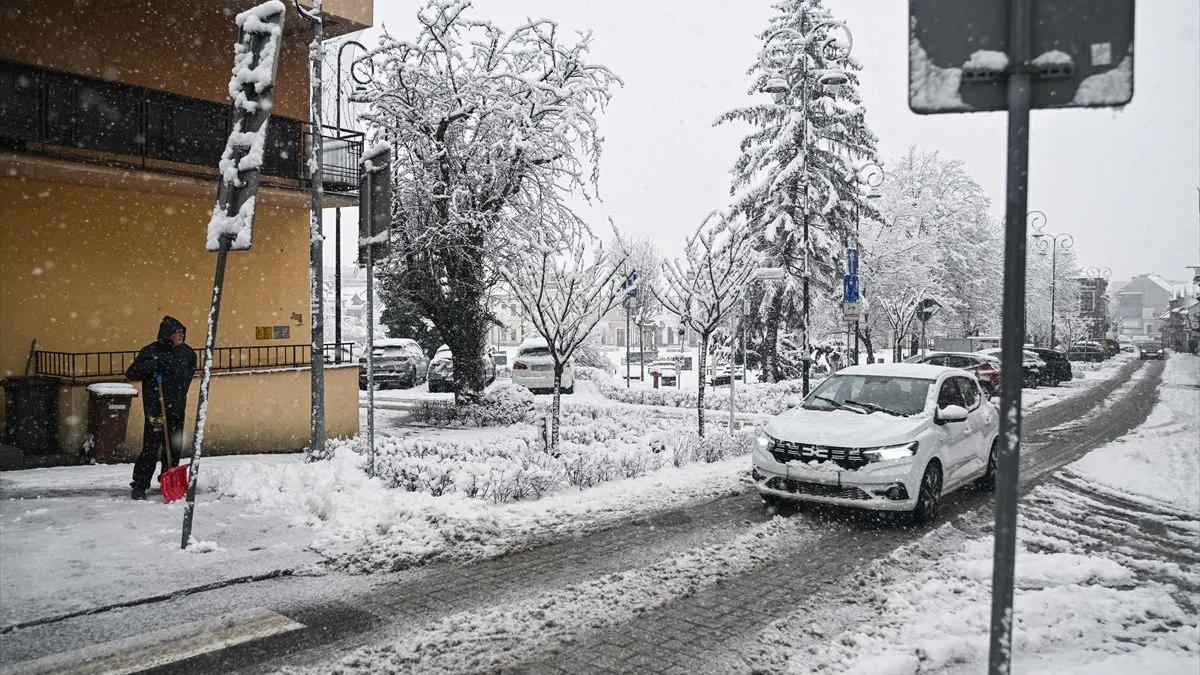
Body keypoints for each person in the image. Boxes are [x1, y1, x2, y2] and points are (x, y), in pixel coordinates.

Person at [125, 316, 196, 500]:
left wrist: (176, 391)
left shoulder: (187, 353)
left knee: (174, 446)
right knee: (151, 446)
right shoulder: (151, 351)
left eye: (182, 332)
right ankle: (140, 484)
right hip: (157, 409)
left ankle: (168, 478)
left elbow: (188, 373)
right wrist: (153, 365)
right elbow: (132, 373)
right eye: (176, 333)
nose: (180, 336)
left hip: (177, 408)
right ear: (167, 335)